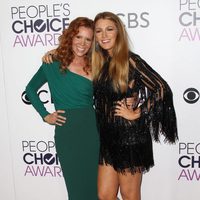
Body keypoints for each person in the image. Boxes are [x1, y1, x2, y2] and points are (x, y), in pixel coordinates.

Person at [43, 11, 178, 200]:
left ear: (118, 32)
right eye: (98, 31)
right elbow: (76, 57)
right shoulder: (98, 61)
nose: (104, 35)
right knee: (105, 195)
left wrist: (138, 112)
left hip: (129, 136)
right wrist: (55, 53)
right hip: (106, 137)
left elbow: (162, 89)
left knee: (129, 195)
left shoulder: (131, 60)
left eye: (109, 29)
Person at [25, 17, 99, 200]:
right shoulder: (52, 62)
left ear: (92, 43)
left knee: (97, 189)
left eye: (88, 39)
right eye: (78, 37)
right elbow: (30, 89)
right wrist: (45, 115)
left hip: (93, 130)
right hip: (67, 132)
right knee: (76, 191)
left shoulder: (96, 63)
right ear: (70, 37)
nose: (82, 43)